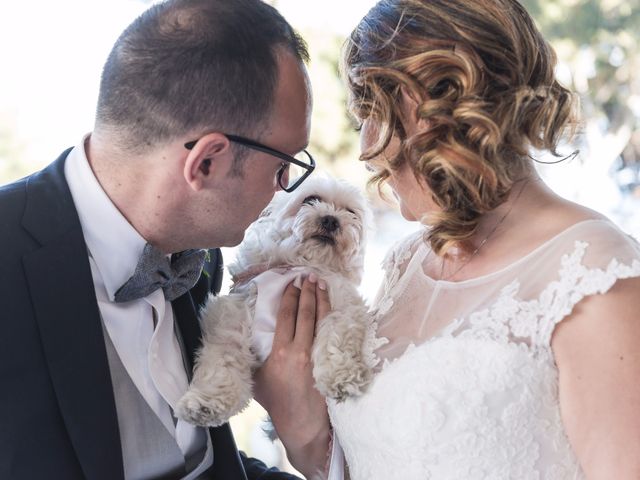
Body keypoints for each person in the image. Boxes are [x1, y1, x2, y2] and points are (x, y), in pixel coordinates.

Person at [0, 0, 331, 479]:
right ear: (207, 163)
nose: (283, 187)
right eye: (283, 165)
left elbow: (205, 463)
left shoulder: (203, 257)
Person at [324, 0, 640, 478]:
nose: (366, 147)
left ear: (434, 106)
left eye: (371, 110)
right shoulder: (405, 264)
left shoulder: (593, 272)